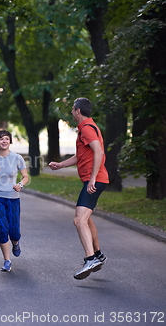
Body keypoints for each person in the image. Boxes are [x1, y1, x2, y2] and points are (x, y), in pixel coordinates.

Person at [49, 97, 109, 280]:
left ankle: (90, 259)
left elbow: (99, 151)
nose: (72, 113)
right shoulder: (88, 128)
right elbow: (81, 156)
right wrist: (60, 165)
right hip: (96, 179)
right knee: (86, 218)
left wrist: (92, 179)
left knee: (78, 220)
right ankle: (98, 254)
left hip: (95, 180)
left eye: (72, 110)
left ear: (77, 111)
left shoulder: (87, 129)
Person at [0, 129, 29, 272]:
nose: (4, 141)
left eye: (6, 138)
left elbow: (25, 176)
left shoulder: (17, 158)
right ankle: (7, 260)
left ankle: (16, 242)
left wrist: (21, 184)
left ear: (10, 141)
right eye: (1, 139)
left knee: (14, 232)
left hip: (13, 199)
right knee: (3, 229)